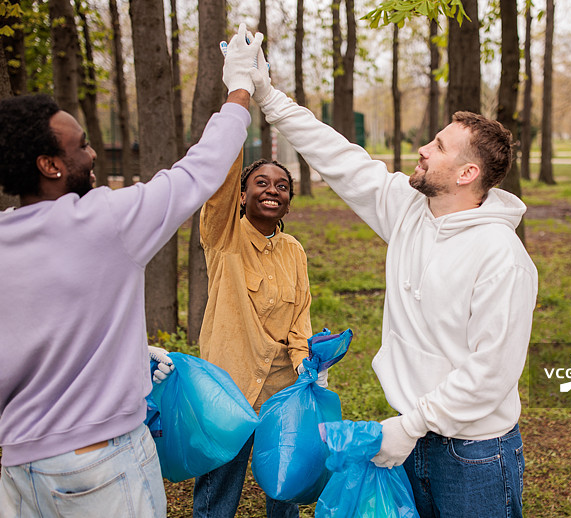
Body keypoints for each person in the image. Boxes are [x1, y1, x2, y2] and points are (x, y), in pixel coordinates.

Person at [225, 44, 538, 517]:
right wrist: (268, 96)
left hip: (472, 455)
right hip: (407, 441)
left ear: (467, 173)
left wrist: (410, 425)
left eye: (438, 147)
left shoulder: (502, 257)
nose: (423, 149)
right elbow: (337, 155)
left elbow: (490, 375)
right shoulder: (409, 211)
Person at [0, 24, 261, 517]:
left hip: (22, 470)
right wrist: (240, 88)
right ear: (49, 165)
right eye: (80, 146)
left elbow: (2, 339)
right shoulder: (103, 220)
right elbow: (198, 171)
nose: (93, 152)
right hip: (98, 463)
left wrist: (121, 352)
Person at [192, 109, 318, 518]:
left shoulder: (294, 250)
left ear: (288, 200)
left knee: (284, 487)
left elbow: (300, 316)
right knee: (218, 490)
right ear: (242, 195)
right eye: (260, 183)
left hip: (281, 393)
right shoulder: (223, 237)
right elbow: (219, 190)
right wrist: (238, 111)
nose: (272, 190)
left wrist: (306, 362)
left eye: (282, 186)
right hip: (228, 389)